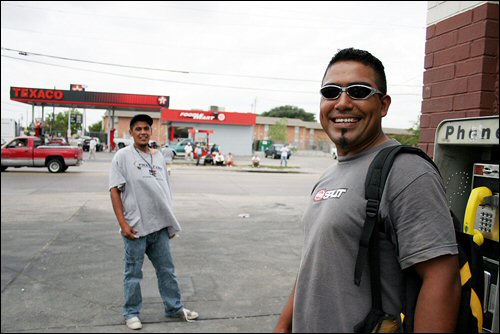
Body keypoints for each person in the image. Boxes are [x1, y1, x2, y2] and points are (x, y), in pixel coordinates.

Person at [274, 48, 460, 333]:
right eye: (331, 92)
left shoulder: (407, 172)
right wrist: (284, 325)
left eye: (358, 91)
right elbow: (315, 264)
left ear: (383, 105)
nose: (343, 103)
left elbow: (441, 278)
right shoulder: (329, 175)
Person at [109, 114, 198, 330]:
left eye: (146, 128)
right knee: (133, 273)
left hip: (159, 227)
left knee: (167, 270)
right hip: (136, 228)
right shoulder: (122, 156)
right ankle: (131, 313)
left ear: (151, 131)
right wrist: (123, 224)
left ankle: (174, 307)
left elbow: (165, 190)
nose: (142, 132)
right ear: (131, 132)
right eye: (138, 129)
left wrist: (170, 221)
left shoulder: (158, 157)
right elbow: (114, 190)